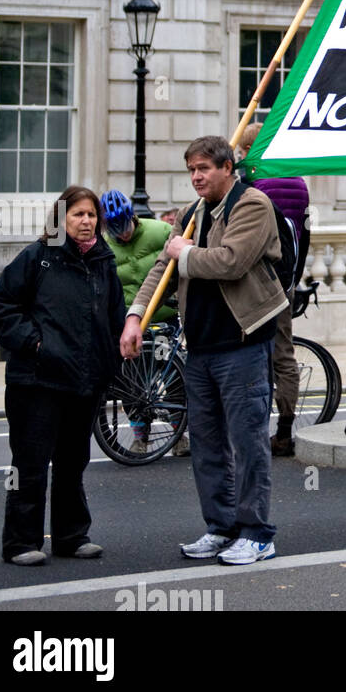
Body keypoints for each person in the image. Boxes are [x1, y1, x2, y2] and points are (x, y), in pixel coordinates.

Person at [123, 135, 286, 566]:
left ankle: (257, 533)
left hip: (243, 344)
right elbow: (164, 265)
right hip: (200, 347)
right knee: (207, 444)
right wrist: (136, 315)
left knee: (248, 442)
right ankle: (221, 527)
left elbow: (231, 261)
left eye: (205, 169)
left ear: (227, 167)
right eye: (192, 169)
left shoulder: (252, 205)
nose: (196, 176)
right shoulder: (193, 213)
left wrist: (186, 251)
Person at [0, 186, 125, 565]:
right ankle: (19, 542)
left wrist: (110, 363)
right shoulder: (37, 257)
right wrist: (35, 344)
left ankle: (70, 536)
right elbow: (0, 310)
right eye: (78, 214)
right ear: (61, 218)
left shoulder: (103, 262)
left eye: (92, 215)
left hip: (84, 381)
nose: (86, 221)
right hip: (36, 382)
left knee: (72, 463)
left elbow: (114, 319)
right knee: (27, 464)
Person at [237, 122, 311, 456]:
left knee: (251, 354)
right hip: (287, 279)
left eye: (242, 150)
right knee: (284, 354)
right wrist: (295, 276)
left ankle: (253, 427)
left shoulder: (253, 185)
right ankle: (284, 430)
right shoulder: (298, 181)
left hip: (257, 283)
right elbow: (305, 234)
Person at [100, 190, 179, 453]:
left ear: (132, 217)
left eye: (124, 226)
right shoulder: (105, 246)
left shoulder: (160, 231)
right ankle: (140, 438)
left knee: (175, 381)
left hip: (164, 317)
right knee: (132, 384)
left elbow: (177, 267)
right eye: (115, 229)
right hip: (130, 324)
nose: (122, 234)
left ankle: (180, 437)